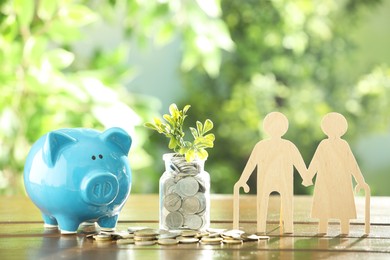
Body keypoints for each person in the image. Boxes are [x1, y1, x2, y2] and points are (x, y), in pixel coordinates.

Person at [234, 112, 310, 234]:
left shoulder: (288, 146)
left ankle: (288, 228)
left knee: (287, 203)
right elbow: (251, 164)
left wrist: (306, 177)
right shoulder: (261, 146)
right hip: (265, 180)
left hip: (284, 180)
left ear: (284, 128)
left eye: (279, 126)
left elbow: (299, 162)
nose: (276, 129)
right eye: (273, 126)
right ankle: (261, 228)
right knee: (263, 203)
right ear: (267, 128)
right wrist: (243, 180)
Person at [306, 112, 369, 234]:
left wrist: (360, 181)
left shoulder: (343, 145)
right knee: (324, 208)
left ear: (341, 129)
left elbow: (352, 163)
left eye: (336, 127)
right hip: (325, 180)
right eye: (331, 127)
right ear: (326, 129)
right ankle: (323, 231)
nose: (333, 131)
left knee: (343, 207)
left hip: (342, 181)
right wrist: (308, 176)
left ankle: (344, 231)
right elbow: (316, 161)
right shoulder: (323, 144)